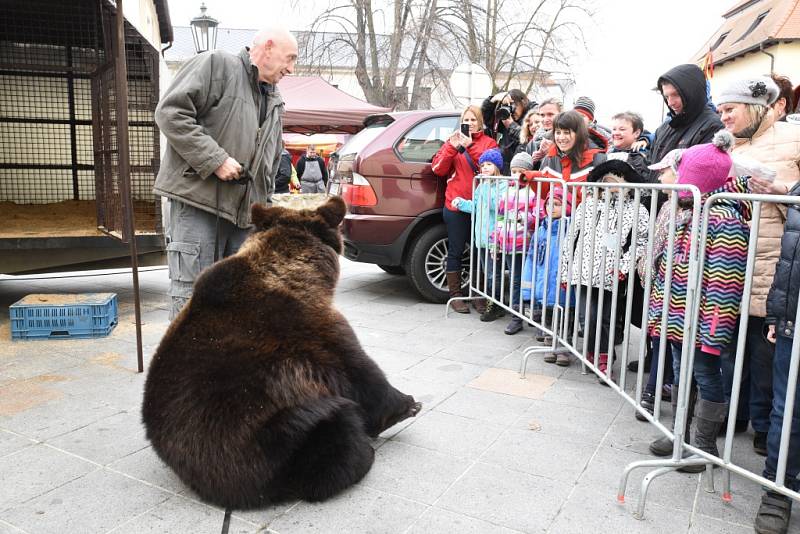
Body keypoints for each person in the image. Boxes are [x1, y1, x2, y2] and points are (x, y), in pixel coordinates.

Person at [153, 25, 298, 319]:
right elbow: (170, 113)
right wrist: (215, 159)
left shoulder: (274, 100)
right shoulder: (217, 65)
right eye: (290, 58)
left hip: (246, 216)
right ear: (268, 47)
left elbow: (268, 164)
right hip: (199, 205)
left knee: (240, 298)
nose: (292, 69)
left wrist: (268, 213)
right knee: (194, 294)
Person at [644, 131, 750, 469]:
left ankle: (704, 446)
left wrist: (713, 334)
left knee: (706, 374)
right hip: (677, 315)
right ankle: (680, 433)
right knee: (679, 371)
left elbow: (725, 283)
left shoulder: (724, 218)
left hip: (703, 322)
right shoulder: (686, 212)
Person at [715, 75, 800, 454]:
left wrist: (779, 195)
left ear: (753, 108)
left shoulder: (792, 142)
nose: (724, 119)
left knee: (766, 356)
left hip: (772, 264)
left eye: (729, 110)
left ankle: (767, 428)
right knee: (729, 350)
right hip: (731, 263)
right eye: (720, 111)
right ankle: (732, 414)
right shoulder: (726, 143)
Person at [627, 63, 724, 375]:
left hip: (687, 219)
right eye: (667, 96)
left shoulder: (710, 124)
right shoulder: (668, 125)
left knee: (676, 300)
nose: (672, 101)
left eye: (676, 94)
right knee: (654, 293)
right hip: (662, 212)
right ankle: (655, 358)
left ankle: (669, 372)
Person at [561, 159, 649, 379]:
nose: (612, 188)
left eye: (617, 183)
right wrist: (565, 270)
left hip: (611, 274)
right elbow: (570, 238)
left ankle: (604, 356)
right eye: (607, 182)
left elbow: (642, 241)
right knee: (588, 316)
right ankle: (593, 351)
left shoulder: (637, 209)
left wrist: (625, 264)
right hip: (582, 271)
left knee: (608, 319)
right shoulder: (587, 205)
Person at [755, 182, 800, 534]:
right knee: (787, 407)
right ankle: (778, 485)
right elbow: (788, 258)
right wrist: (775, 313)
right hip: (792, 319)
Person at [432, 105, 498, 314]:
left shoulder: (488, 143)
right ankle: (456, 295)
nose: (469, 124)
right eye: (466, 120)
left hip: (482, 207)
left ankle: (478, 294)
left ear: (480, 122)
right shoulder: (452, 141)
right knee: (456, 250)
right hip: (456, 205)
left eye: (473, 120)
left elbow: (492, 167)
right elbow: (438, 169)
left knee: (479, 251)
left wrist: (470, 146)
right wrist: (452, 147)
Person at [451, 148, 508, 320]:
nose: (484, 168)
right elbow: (475, 207)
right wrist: (461, 203)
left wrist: (489, 187)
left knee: (493, 273)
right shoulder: (481, 185)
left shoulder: (502, 184)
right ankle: (493, 301)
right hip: (481, 238)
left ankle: (495, 305)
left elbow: (498, 207)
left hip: (493, 239)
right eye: (482, 165)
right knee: (487, 272)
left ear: (497, 167)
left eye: (489, 164)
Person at [522, 186, 573, 363]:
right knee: (549, 314)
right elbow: (531, 259)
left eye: (557, 204)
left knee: (565, 316)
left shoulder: (572, 229)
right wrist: (529, 288)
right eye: (549, 203)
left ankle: (563, 346)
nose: (552, 207)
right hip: (544, 284)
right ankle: (550, 342)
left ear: (566, 206)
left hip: (564, 284)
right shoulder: (541, 229)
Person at [491, 155, 540, 335]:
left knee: (527, 280)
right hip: (508, 244)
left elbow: (538, 214)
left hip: (525, 243)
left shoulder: (534, 191)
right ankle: (516, 317)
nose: (517, 175)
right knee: (515, 280)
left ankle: (533, 312)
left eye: (521, 172)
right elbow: (500, 217)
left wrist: (524, 218)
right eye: (514, 171)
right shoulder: (507, 191)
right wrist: (494, 241)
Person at [539, 110, 607, 200]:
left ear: (579, 134)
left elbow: (601, 199)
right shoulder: (550, 158)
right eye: (558, 132)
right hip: (552, 213)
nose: (561, 138)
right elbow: (542, 195)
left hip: (584, 213)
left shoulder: (598, 159)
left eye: (567, 132)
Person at [481, 89, 536, 173]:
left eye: (514, 106)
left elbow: (527, 139)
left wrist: (511, 126)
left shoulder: (533, 115)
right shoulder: (506, 117)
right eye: (509, 106)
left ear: (523, 102)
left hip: (521, 170)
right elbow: (487, 119)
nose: (512, 110)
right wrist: (492, 100)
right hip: (506, 167)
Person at [525, 98, 562, 166]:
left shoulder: (568, 138)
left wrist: (553, 152)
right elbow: (524, 170)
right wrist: (531, 162)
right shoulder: (532, 143)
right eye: (542, 115)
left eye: (550, 114)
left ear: (561, 114)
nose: (545, 119)